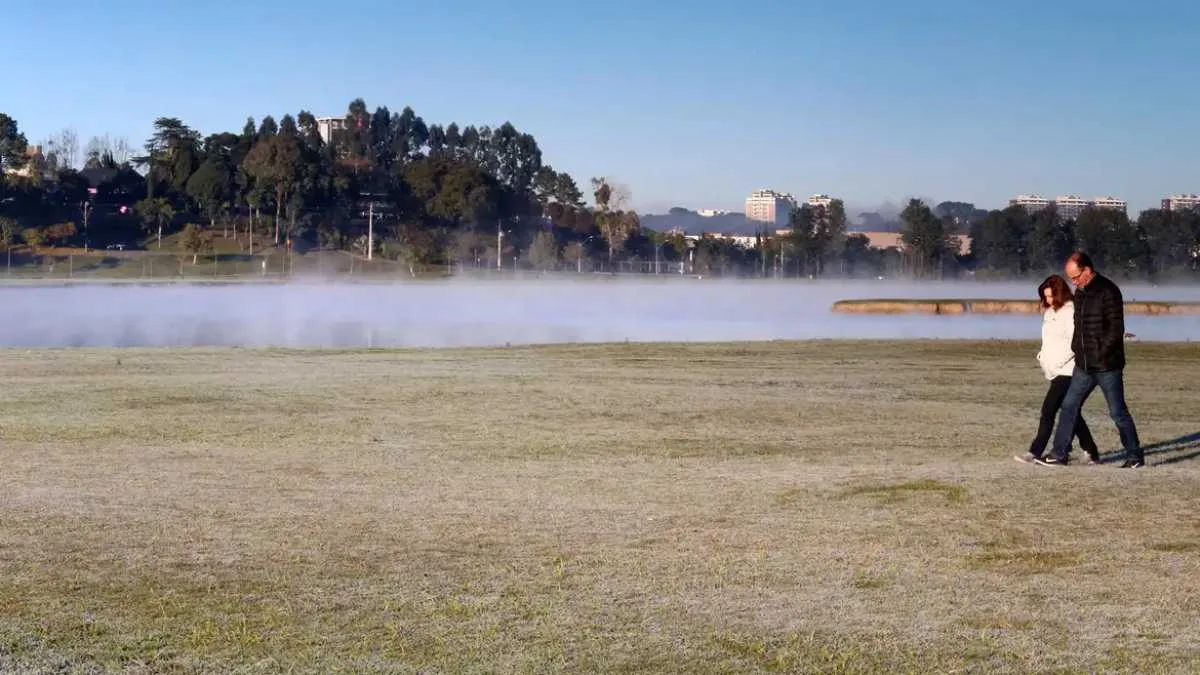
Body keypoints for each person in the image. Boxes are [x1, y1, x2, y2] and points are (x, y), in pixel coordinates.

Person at [1042, 251, 1144, 468]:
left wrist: (1100, 352)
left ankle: (1135, 456)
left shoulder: (1109, 291)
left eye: (1076, 276)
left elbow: (1116, 329)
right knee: (1069, 406)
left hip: (1108, 366)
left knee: (1117, 412)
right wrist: (1077, 349)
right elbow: (1078, 325)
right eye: (1071, 278)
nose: (1073, 282)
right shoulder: (1079, 293)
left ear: (1087, 270)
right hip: (1083, 365)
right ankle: (1059, 454)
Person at [1017, 274, 1100, 465]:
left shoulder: (1070, 311)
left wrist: (1060, 362)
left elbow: (1075, 341)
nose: (1048, 300)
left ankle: (1035, 451)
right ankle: (1091, 451)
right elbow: (1050, 340)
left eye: (1051, 296)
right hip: (1054, 370)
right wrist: (1043, 358)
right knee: (1071, 412)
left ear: (1060, 293)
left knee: (1048, 409)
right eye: (1045, 297)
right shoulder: (1050, 312)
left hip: (1068, 370)